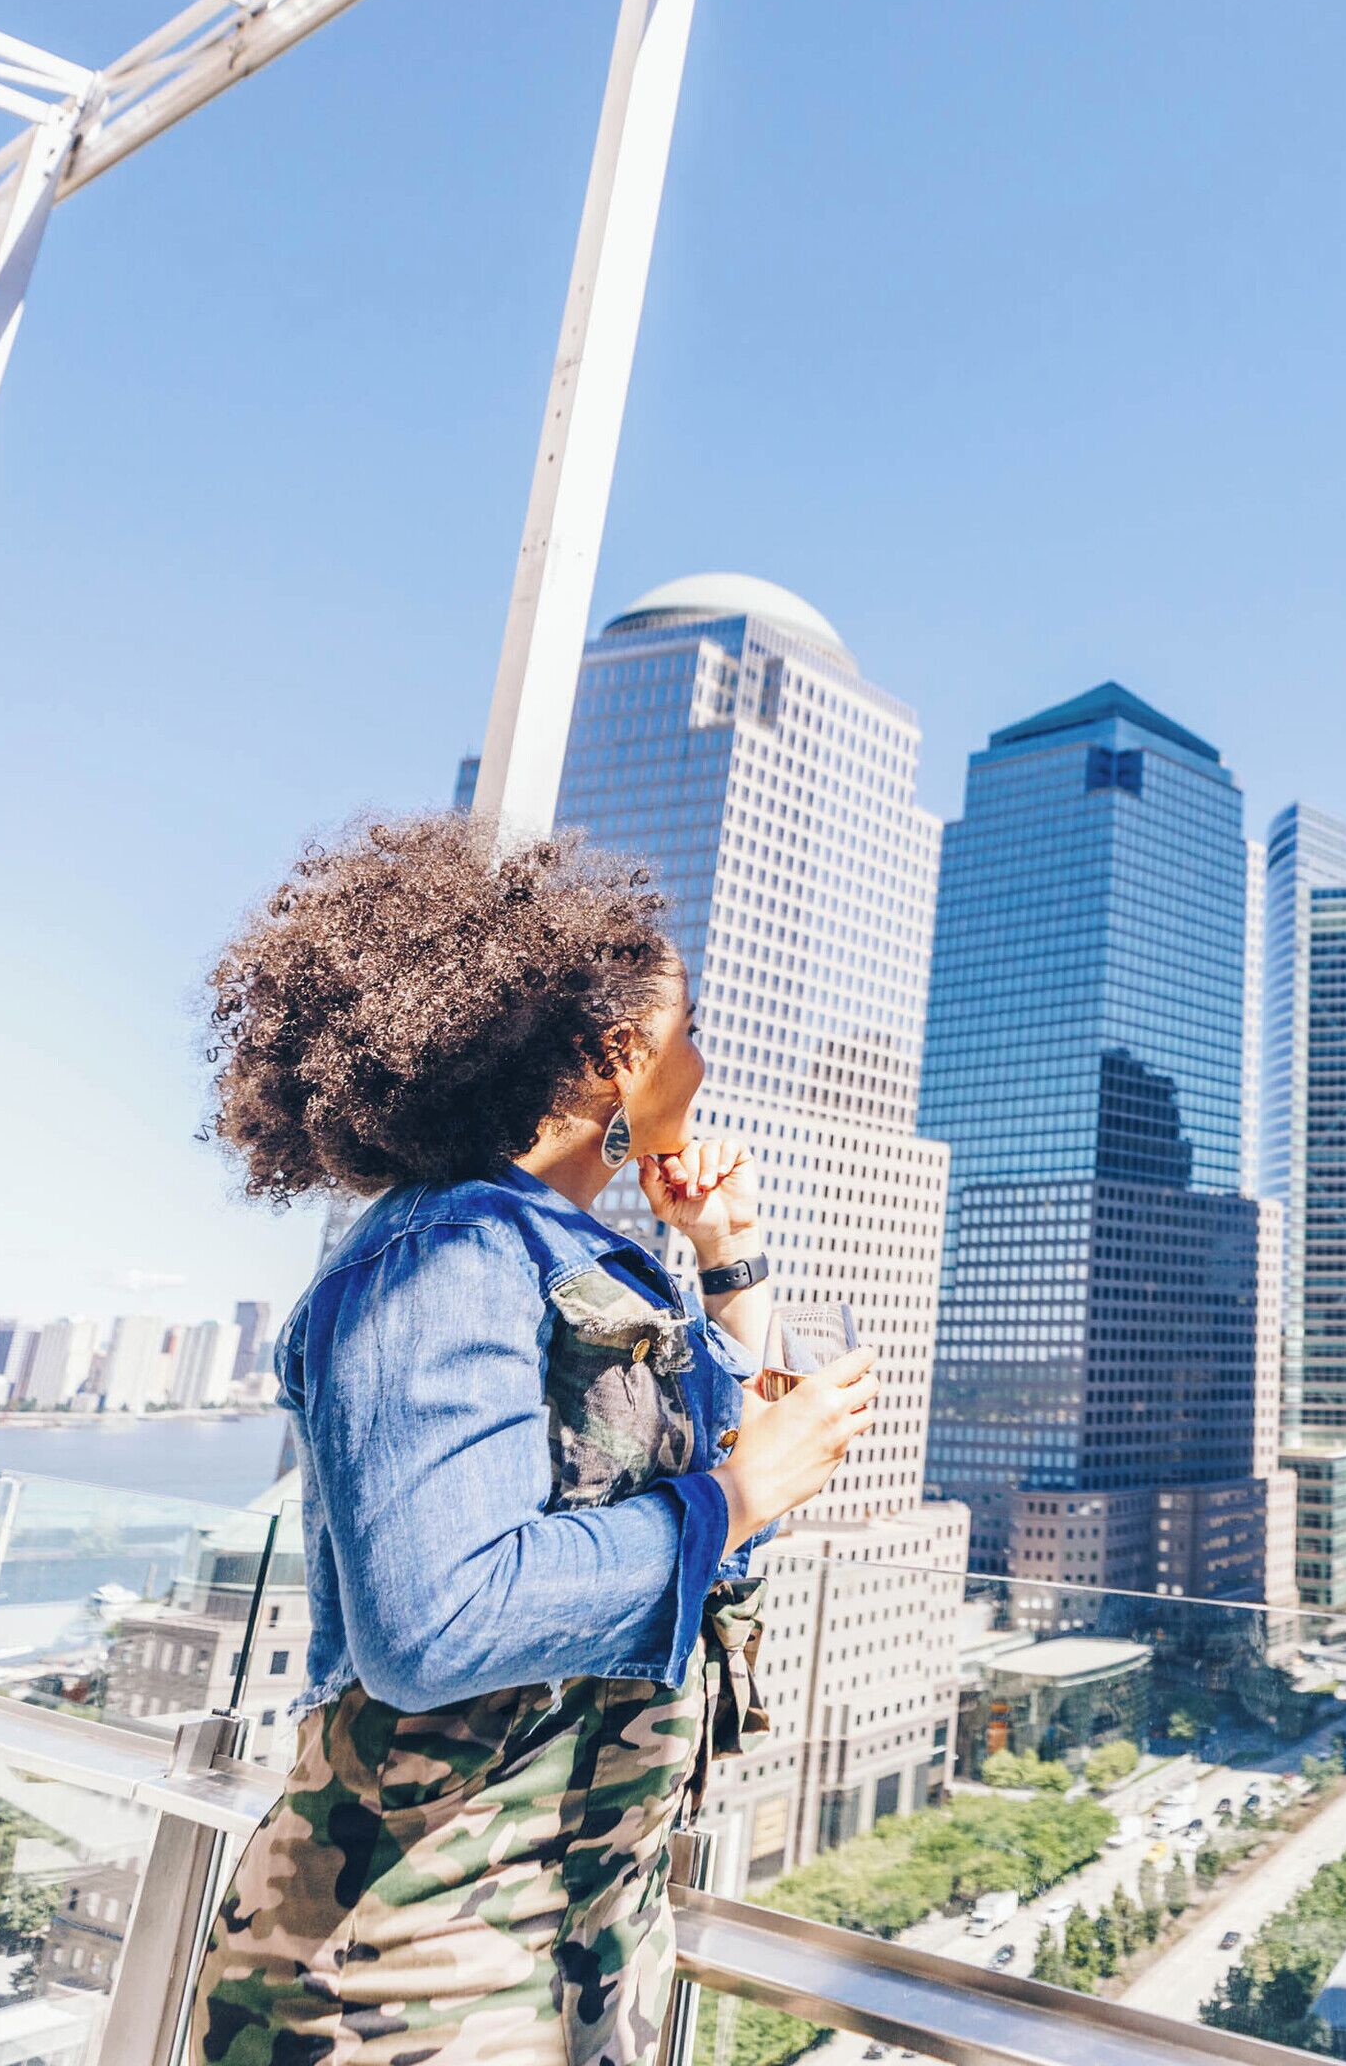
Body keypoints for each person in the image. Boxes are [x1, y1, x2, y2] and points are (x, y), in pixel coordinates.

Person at [188, 812, 873, 2065]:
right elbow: (435, 1621)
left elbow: (724, 1474)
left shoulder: (567, 1258)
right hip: (408, 1982)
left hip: (582, 1956)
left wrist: (729, 1262)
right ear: (623, 1052)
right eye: (692, 1032)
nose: (704, 1064)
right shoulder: (443, 1255)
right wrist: (729, 1496)